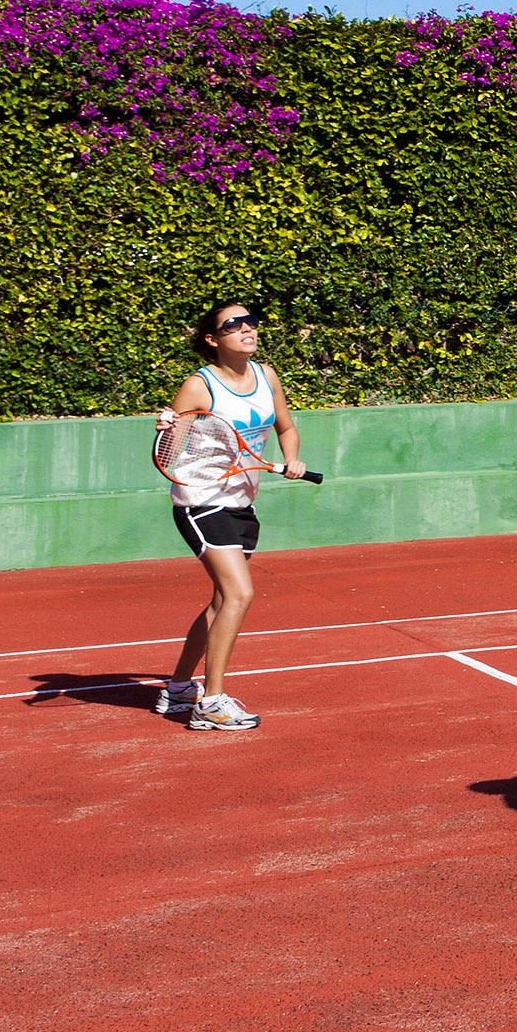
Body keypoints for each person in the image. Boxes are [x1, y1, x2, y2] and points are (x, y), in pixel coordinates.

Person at [153, 300, 309, 733]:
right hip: (200, 498)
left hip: (242, 498)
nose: (248, 329)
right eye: (234, 324)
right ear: (213, 339)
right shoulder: (198, 387)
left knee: (223, 600)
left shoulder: (266, 375)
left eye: (251, 322)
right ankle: (211, 701)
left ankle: (180, 687)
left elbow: (285, 427)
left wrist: (292, 459)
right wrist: (168, 426)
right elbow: (169, 450)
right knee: (239, 594)